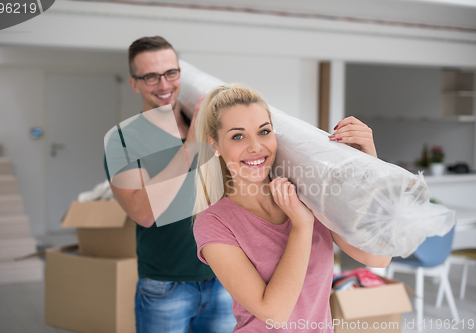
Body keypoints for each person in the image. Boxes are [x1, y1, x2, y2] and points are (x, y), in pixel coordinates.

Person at [192, 84, 391, 332]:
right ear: (216, 146)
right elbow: (274, 313)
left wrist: (368, 165)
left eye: (264, 132)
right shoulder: (214, 223)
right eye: (238, 136)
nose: (255, 146)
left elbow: (378, 256)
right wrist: (302, 225)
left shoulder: (308, 195)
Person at [105, 36, 235, 333]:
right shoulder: (123, 140)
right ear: (135, 83)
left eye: (170, 73)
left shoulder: (206, 124)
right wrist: (191, 145)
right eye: (151, 76)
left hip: (225, 278)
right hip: (166, 285)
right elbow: (144, 213)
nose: (164, 85)